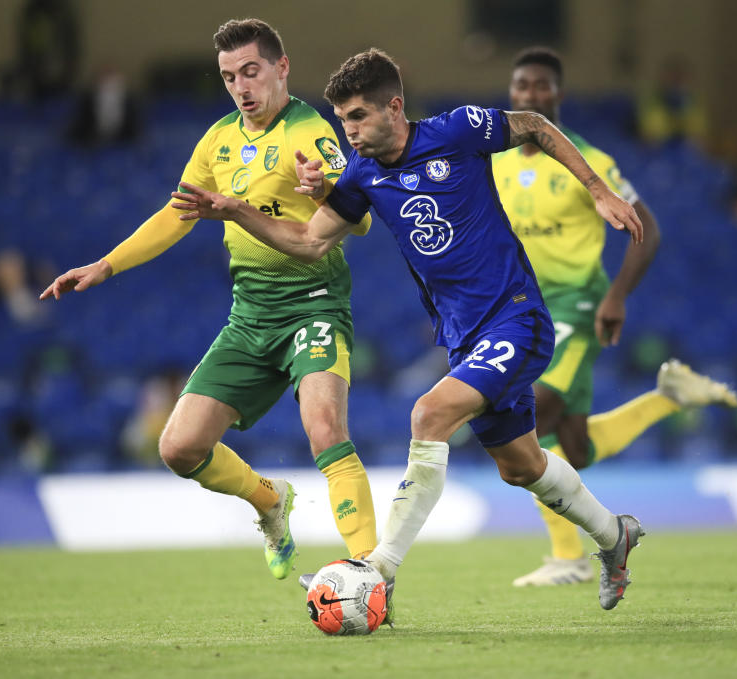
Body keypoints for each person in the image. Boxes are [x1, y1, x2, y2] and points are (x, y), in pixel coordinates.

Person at [172, 48, 646, 612]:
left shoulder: (457, 130)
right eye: (341, 118)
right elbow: (308, 241)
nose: (345, 131)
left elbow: (537, 126)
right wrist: (235, 210)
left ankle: (378, 569)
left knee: (428, 413)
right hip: (464, 336)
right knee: (522, 466)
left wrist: (597, 189)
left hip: (516, 317)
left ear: (393, 108)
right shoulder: (363, 174)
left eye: (355, 117)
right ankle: (615, 536)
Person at [40, 19, 379, 580]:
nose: (242, 87)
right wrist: (105, 264)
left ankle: (372, 570)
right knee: (178, 448)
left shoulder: (309, 132)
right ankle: (270, 500)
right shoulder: (217, 141)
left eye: (251, 71)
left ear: (281, 67)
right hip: (249, 318)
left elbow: (359, 217)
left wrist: (322, 190)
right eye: (229, 77)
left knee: (324, 427)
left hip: (314, 305)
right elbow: (176, 214)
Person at [493, 47, 737, 587]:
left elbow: (644, 223)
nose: (530, 95)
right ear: (512, 94)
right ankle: (668, 397)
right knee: (574, 447)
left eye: (541, 86)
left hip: (576, 304)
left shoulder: (589, 160)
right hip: (523, 307)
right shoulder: (498, 162)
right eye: (522, 86)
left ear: (555, 95)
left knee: (522, 418)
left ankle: (567, 558)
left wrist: (616, 297)